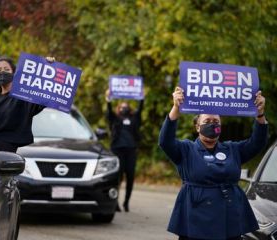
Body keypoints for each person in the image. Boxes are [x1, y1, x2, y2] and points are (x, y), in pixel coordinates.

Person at [159, 86, 268, 240]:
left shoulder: (232, 149)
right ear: (197, 126)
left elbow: (258, 143)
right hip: (196, 219)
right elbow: (165, 141)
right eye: (207, 121)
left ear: (220, 127)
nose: (212, 124)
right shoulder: (186, 149)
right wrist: (176, 108)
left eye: (216, 121)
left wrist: (260, 114)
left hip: (229, 218)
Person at [0, 56, 55, 153]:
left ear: (14, 72)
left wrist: (48, 67)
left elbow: (43, 98)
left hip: (5, 155)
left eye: (6, 69)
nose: (2, 73)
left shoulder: (23, 97)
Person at [105, 89, 144, 212]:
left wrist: (141, 98)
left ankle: (126, 202)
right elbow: (109, 112)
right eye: (122, 106)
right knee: (118, 177)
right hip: (117, 151)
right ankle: (115, 202)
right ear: (118, 108)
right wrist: (108, 100)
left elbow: (140, 110)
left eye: (126, 106)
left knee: (130, 177)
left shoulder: (134, 119)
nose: (124, 108)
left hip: (131, 151)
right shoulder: (115, 119)